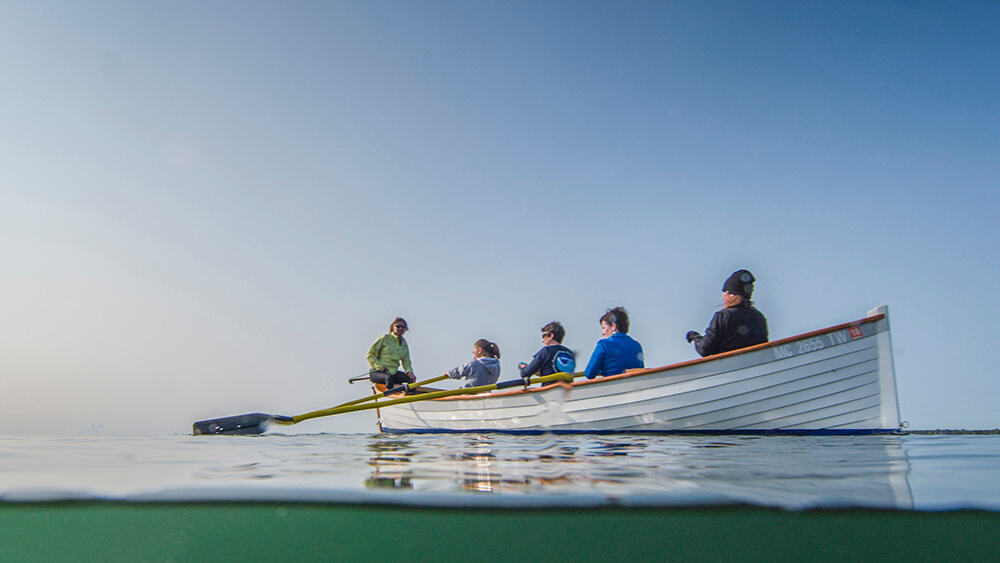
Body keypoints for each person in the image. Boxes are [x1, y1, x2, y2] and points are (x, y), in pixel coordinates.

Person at [686, 269, 769, 357]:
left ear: (732, 294)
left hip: (729, 366)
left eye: (725, 291)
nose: (723, 295)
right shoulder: (759, 317)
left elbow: (705, 349)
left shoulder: (723, 316)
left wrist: (696, 338)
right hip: (755, 364)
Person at [584, 307, 644, 379]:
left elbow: (589, 374)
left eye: (604, 328)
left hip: (612, 386)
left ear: (613, 326)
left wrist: (601, 369)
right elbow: (640, 371)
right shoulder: (637, 345)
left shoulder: (604, 345)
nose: (603, 333)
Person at [367, 317, 416, 388]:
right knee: (389, 378)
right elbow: (370, 355)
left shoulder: (404, 344)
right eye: (398, 326)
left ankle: (411, 396)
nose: (400, 329)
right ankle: (389, 396)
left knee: (411, 379)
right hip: (378, 372)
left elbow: (406, 362)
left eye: (403, 327)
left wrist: (409, 372)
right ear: (392, 327)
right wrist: (380, 366)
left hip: (393, 372)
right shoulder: (384, 338)